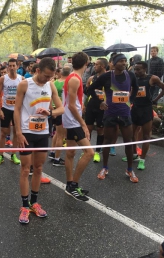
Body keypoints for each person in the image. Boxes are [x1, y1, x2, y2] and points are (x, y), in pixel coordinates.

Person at [14, 57, 64, 223]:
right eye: (46, 76)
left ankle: (34, 202)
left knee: (38, 167)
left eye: (51, 77)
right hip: (27, 132)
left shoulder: (50, 85)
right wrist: (18, 133)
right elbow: (17, 109)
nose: (49, 79)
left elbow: (61, 108)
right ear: (37, 71)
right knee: (25, 168)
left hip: (42, 132)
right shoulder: (24, 84)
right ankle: (24, 205)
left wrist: (50, 113)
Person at [89, 54, 139, 183]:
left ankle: (129, 169)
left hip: (125, 113)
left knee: (128, 141)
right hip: (110, 113)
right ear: (114, 63)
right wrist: (100, 102)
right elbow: (89, 89)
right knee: (107, 141)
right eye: (121, 61)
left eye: (125, 61)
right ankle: (104, 168)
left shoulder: (130, 75)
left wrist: (131, 100)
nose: (124, 63)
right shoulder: (106, 76)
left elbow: (136, 88)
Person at [62, 52, 93, 201]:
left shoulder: (75, 77)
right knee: (89, 153)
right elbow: (72, 106)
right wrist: (83, 124)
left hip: (71, 119)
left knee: (70, 153)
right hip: (73, 121)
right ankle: (73, 185)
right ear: (86, 64)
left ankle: (69, 185)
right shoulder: (74, 79)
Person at [122, 61, 164, 170]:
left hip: (146, 109)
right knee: (132, 134)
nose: (136, 71)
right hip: (135, 108)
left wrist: (155, 100)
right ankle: (135, 155)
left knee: (146, 136)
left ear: (145, 69)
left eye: (139, 69)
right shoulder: (133, 78)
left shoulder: (152, 78)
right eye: (135, 69)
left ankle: (142, 160)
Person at [0, 59, 22, 166]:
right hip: (6, 108)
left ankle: (13, 155)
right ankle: (1, 155)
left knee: (16, 132)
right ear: (7, 67)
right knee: (3, 133)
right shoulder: (3, 78)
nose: (11, 67)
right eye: (9, 66)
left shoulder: (21, 79)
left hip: (17, 110)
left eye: (13, 65)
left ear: (17, 66)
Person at [84, 58, 108, 162]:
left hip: (102, 107)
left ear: (102, 66)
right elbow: (88, 91)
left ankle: (97, 152)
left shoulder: (108, 79)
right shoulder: (91, 78)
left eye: (96, 64)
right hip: (91, 106)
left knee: (100, 130)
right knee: (88, 129)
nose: (94, 66)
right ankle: (87, 151)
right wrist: (84, 105)